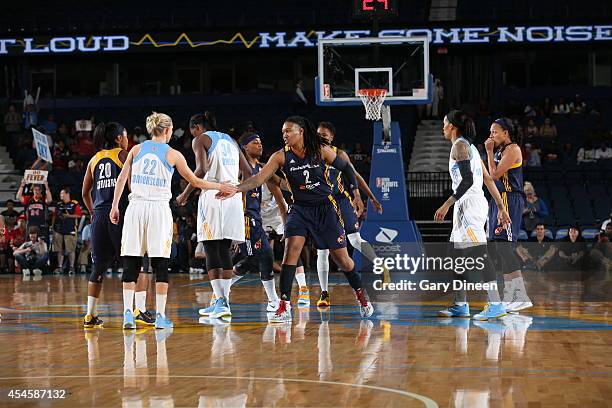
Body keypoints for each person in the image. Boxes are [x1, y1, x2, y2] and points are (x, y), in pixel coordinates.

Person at [219, 116, 374, 322]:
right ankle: (284, 305)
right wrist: (237, 189)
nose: (285, 135)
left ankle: (361, 295)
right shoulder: (280, 156)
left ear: (301, 131)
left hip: (325, 208)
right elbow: (259, 178)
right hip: (299, 209)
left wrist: (355, 193)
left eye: (289, 131)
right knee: (290, 252)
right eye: (283, 131)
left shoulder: (319, 150)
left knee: (343, 260)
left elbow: (346, 168)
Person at [111, 112, 234, 330]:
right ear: (168, 130)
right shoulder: (173, 154)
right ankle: (159, 317)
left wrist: (114, 206)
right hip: (158, 210)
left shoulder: (136, 149)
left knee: (131, 263)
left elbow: (121, 179)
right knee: (160, 265)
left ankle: (128, 315)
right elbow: (195, 180)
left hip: (135, 208)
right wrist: (219, 186)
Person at [434, 110, 511, 321]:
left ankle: (495, 304)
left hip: (469, 205)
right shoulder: (473, 150)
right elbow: (487, 179)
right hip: (468, 205)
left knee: (480, 254)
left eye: (444, 123)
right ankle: (461, 305)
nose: (442, 127)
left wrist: (446, 204)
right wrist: (500, 206)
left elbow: (467, 181)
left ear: (452, 126)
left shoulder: (460, 146)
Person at [176, 112, 251, 320]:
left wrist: (184, 194)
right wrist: (237, 191)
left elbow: (201, 170)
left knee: (210, 249)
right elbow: (248, 173)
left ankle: (221, 301)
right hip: (233, 196)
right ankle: (222, 302)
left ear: (197, 127)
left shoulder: (201, 139)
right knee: (224, 249)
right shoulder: (232, 141)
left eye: (192, 131)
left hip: (212, 195)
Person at [81, 122, 155, 328]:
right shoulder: (122, 155)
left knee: (98, 267)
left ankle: (90, 315)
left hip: (99, 216)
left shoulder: (94, 160)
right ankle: (138, 309)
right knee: (138, 262)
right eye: (125, 136)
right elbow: (131, 185)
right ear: (117, 139)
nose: (127, 139)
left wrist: (93, 211)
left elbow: (84, 193)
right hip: (119, 215)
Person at [314, 121, 383, 308]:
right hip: (321, 204)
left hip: (341, 199)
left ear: (332, 137)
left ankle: (380, 267)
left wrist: (370, 197)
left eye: (325, 134)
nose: (321, 136)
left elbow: (355, 176)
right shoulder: (311, 154)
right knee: (322, 251)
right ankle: (324, 293)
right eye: (318, 133)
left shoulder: (339, 154)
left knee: (355, 240)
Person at [485, 117, 532, 312]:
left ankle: (521, 295)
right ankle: (510, 295)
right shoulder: (499, 150)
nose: (491, 135)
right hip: (498, 199)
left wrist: (488, 151)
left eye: (495, 132)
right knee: (498, 248)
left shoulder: (513, 149)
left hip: (509, 198)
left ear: (506, 133)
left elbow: (494, 175)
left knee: (504, 247)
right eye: (490, 132)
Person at [52, 187, 82, 274]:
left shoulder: (74, 204)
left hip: (71, 229)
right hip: (59, 230)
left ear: (67, 194)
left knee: (70, 249)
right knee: (59, 249)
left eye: (62, 193)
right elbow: (55, 216)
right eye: (60, 194)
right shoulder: (58, 204)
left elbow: (79, 215)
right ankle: (60, 267)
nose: (61, 195)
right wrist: (53, 227)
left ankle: (72, 267)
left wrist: (68, 216)